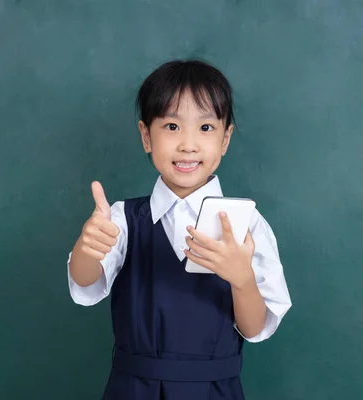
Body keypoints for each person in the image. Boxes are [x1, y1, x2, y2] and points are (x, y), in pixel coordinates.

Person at [67, 59, 292, 399]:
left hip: (215, 391)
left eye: (205, 128)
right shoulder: (122, 218)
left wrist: (242, 279)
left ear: (226, 138)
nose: (188, 144)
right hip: (133, 390)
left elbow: (255, 328)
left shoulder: (248, 226)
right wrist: (87, 249)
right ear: (146, 136)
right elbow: (85, 284)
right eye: (172, 126)